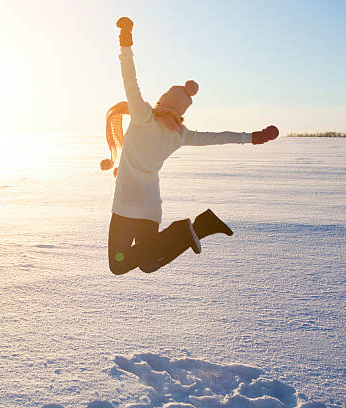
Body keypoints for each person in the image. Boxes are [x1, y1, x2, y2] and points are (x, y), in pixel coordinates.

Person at [102, 17, 278, 275]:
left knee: (118, 265)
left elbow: (130, 80)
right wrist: (253, 137)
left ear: (162, 101)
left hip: (126, 206)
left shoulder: (143, 116)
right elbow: (218, 137)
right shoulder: (180, 135)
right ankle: (199, 227)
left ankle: (180, 231)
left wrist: (125, 40)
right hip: (151, 208)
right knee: (149, 262)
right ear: (181, 112)